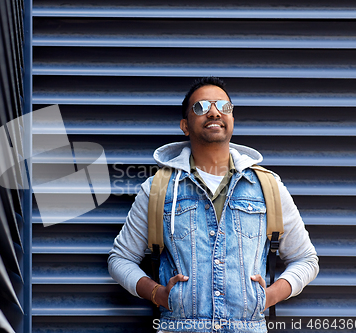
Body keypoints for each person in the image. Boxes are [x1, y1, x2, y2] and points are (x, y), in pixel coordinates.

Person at [108, 77, 319, 332]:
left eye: (224, 106)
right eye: (201, 107)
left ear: (232, 119)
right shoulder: (157, 188)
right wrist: (157, 294)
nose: (214, 111)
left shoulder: (268, 187)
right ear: (185, 125)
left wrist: (270, 296)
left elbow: (306, 259)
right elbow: (120, 259)